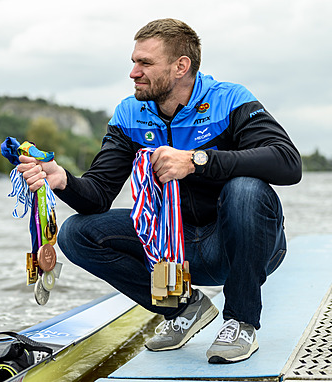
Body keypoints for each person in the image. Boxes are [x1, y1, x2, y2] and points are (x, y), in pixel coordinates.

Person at [17, 18, 302, 364]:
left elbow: (288, 162)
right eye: (134, 62)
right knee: (77, 234)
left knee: (246, 189)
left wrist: (197, 161)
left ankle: (240, 321)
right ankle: (184, 308)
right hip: (174, 250)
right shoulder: (129, 113)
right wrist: (61, 179)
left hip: (238, 245)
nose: (134, 73)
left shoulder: (229, 99)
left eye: (145, 63)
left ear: (181, 66)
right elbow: (98, 194)